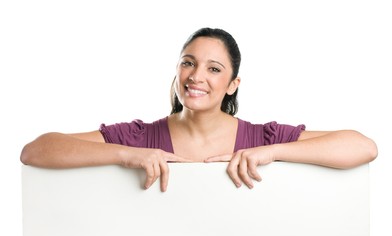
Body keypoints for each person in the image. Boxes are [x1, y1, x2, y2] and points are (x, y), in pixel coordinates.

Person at [20, 27, 378, 192]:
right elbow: (35, 151)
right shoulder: (138, 136)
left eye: (214, 69)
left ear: (233, 84)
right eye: (188, 63)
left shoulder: (260, 136)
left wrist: (274, 152)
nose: (196, 76)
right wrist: (126, 155)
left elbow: (363, 147)